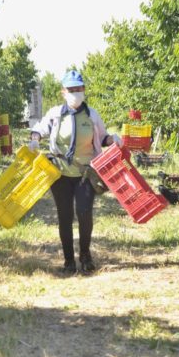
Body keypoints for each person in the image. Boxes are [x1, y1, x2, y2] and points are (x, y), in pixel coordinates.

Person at [29, 69, 122, 275]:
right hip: (60, 174)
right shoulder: (55, 114)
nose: (75, 93)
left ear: (84, 90)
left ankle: (86, 256)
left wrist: (113, 139)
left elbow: (103, 137)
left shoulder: (92, 115)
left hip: (85, 174)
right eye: (71, 89)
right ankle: (69, 260)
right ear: (63, 92)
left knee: (84, 213)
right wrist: (35, 139)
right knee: (65, 216)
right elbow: (41, 129)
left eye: (78, 89)